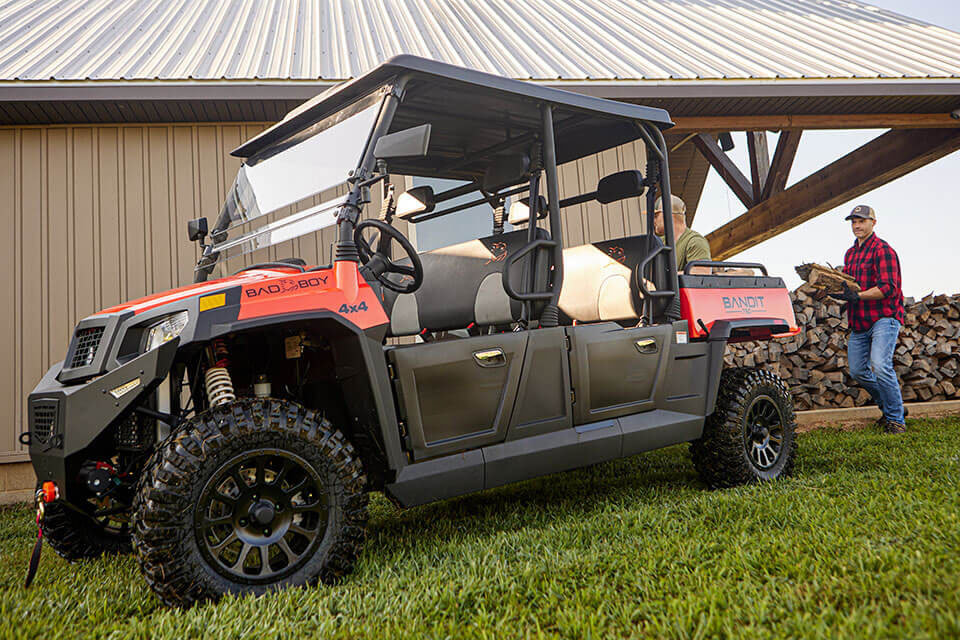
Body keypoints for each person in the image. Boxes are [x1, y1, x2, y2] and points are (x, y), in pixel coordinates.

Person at [833, 204, 907, 434]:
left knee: (880, 365)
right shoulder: (850, 253)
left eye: (862, 221)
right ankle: (892, 405)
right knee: (857, 371)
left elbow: (888, 288)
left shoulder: (883, 250)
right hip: (860, 320)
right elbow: (851, 286)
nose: (857, 226)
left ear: (873, 223)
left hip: (884, 316)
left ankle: (896, 421)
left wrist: (858, 296)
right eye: (854, 222)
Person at [653, 194, 712, 275]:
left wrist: (665, 278)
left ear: (668, 214)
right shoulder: (659, 243)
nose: (654, 221)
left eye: (656, 216)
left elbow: (702, 273)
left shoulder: (694, 241)